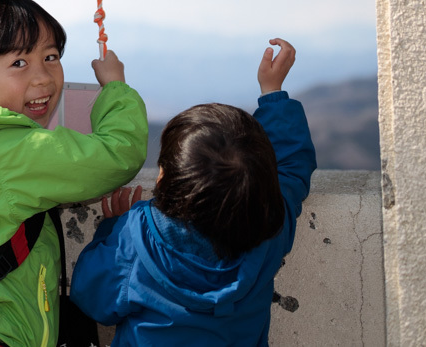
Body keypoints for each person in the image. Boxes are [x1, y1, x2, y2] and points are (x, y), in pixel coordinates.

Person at [0, 0, 148, 347]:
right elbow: (118, 155)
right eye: (19, 63)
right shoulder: (14, 151)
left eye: (50, 57)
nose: (44, 78)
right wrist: (115, 87)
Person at [69, 39, 317, 346]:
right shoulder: (270, 224)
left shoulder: (137, 237)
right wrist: (273, 94)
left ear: (163, 181)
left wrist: (110, 229)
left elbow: (91, 296)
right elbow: (292, 167)